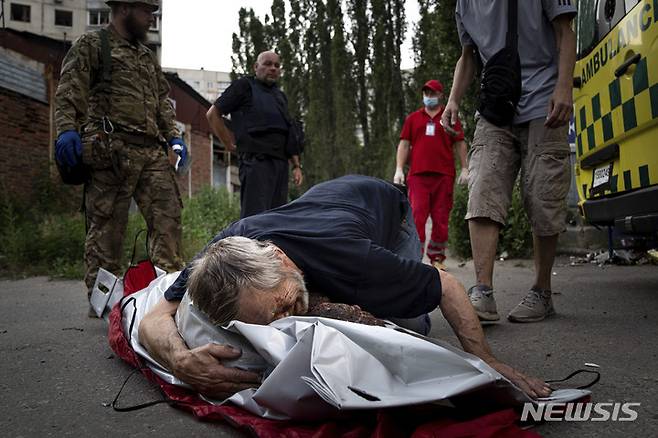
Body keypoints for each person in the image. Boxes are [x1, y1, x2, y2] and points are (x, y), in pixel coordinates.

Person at [138, 175, 552, 400]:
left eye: (284, 304)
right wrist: (180, 360)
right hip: (327, 203)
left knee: (410, 326)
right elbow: (155, 318)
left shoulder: (355, 258)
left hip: (387, 209)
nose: (286, 321)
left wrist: (486, 361)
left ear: (281, 260)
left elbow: (447, 286)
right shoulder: (223, 253)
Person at [441, 0, 577, 323]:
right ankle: (483, 292)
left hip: (546, 102)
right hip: (496, 104)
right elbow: (468, 56)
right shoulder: (464, 5)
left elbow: (565, 33)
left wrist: (564, 88)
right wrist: (453, 100)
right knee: (483, 186)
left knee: (543, 195)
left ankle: (542, 292)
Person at [54, 0, 186, 313]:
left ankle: (168, 298)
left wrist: (174, 137)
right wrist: (66, 130)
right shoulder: (93, 44)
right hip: (111, 150)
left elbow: (162, 101)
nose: (150, 19)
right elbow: (70, 89)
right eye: (146, 12)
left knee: (168, 219)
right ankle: (106, 306)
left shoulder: (146, 55)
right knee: (107, 231)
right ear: (125, 9)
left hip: (151, 152)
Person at [206, 51, 303, 219]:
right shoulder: (244, 87)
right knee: (255, 219)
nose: (272, 68)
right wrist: (228, 144)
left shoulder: (280, 97)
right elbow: (213, 114)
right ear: (256, 67)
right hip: (256, 162)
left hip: (280, 165)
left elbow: (289, 131)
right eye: (267, 64)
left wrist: (296, 166)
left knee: (277, 219)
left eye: (277, 65)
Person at [394, 79, 468, 271]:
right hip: (418, 176)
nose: (429, 97)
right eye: (426, 94)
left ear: (441, 96)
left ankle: (437, 258)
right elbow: (403, 144)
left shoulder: (449, 117)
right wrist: (399, 169)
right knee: (416, 216)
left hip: (444, 175)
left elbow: (460, 143)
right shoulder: (413, 119)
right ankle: (414, 256)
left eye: (433, 94)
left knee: (441, 218)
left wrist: (466, 168)